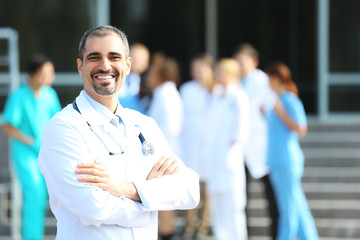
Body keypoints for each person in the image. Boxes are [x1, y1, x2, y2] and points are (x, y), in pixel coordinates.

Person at [38, 25, 199, 240]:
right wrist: (151, 204)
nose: (105, 66)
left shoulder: (144, 125)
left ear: (128, 65)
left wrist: (128, 189)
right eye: (94, 58)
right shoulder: (64, 128)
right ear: (80, 66)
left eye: (114, 57)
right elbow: (93, 208)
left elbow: (190, 189)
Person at [2, 54, 61, 240]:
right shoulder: (19, 95)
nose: (50, 78)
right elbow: (7, 124)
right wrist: (25, 138)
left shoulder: (49, 95)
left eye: (51, 73)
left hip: (45, 153)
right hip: (25, 153)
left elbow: (58, 120)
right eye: (46, 73)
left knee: (42, 196)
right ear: (33, 74)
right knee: (34, 192)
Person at [265, 62, 318, 240]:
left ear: (277, 79)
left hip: (287, 160)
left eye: (269, 78)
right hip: (277, 160)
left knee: (288, 209)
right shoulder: (277, 101)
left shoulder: (289, 100)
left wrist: (282, 113)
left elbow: (301, 129)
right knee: (297, 205)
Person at [233, 43, 278, 238]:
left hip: (262, 147)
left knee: (271, 197)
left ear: (254, 62)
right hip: (240, 148)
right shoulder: (233, 82)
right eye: (237, 62)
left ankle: (276, 234)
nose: (239, 66)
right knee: (242, 198)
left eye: (242, 62)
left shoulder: (263, 82)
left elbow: (271, 107)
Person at [204, 58, 250, 240]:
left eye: (221, 72)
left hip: (229, 160)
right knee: (218, 209)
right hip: (215, 159)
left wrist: (231, 155)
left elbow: (241, 130)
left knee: (233, 208)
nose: (217, 75)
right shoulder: (216, 96)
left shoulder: (238, 96)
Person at [146, 52, 184, 240]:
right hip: (163, 155)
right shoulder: (164, 92)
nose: (149, 77)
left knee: (165, 203)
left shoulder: (166, 94)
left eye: (153, 72)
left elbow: (171, 127)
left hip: (164, 156)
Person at [179, 53, 214, 237]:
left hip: (209, 145)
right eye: (196, 67)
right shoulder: (186, 89)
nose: (199, 72)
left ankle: (205, 223)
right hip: (190, 143)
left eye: (202, 67)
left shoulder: (215, 90)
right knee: (190, 183)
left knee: (208, 186)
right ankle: (190, 222)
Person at [118, 43, 151, 114]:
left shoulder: (149, 84)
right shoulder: (118, 79)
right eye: (134, 57)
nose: (136, 61)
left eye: (140, 59)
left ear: (147, 64)